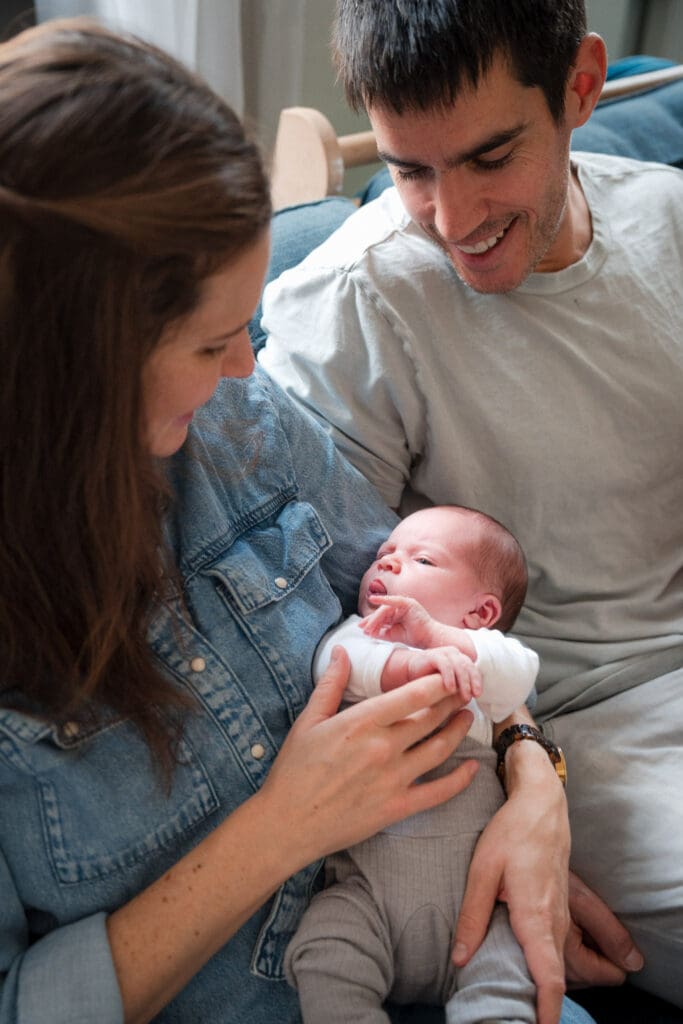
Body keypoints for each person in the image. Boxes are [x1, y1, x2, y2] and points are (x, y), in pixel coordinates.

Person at [0, 18, 500, 1024]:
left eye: (248, 329)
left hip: (442, 947)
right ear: (69, 368)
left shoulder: (239, 424)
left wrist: (529, 781)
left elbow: (442, 595)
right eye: (212, 340)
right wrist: (281, 826)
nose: (243, 369)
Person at [258, 0, 683, 1013]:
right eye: (411, 169)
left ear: (580, 88)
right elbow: (327, 629)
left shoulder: (665, 221)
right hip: (571, 732)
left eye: (489, 156)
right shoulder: (359, 305)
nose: (451, 220)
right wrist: (521, 783)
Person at [287, 505, 543, 1023]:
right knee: (323, 952)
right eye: (384, 555)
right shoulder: (361, 634)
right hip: (366, 899)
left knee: (512, 969)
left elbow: (520, 674)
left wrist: (445, 642)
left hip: (477, 899)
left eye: (421, 559)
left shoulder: (486, 658)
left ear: (481, 614)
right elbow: (340, 666)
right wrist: (412, 663)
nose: (387, 565)